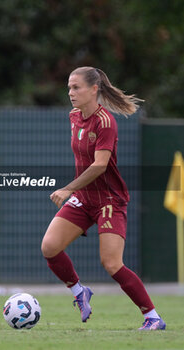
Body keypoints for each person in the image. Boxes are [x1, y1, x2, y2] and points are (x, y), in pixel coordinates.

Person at [41, 66, 166, 331]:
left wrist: (67, 190)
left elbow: (99, 165)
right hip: (85, 199)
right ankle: (79, 291)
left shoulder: (106, 122)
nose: (70, 93)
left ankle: (153, 317)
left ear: (94, 89)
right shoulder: (74, 116)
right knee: (49, 247)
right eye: (69, 87)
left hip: (109, 200)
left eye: (76, 87)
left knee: (111, 264)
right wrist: (77, 193)